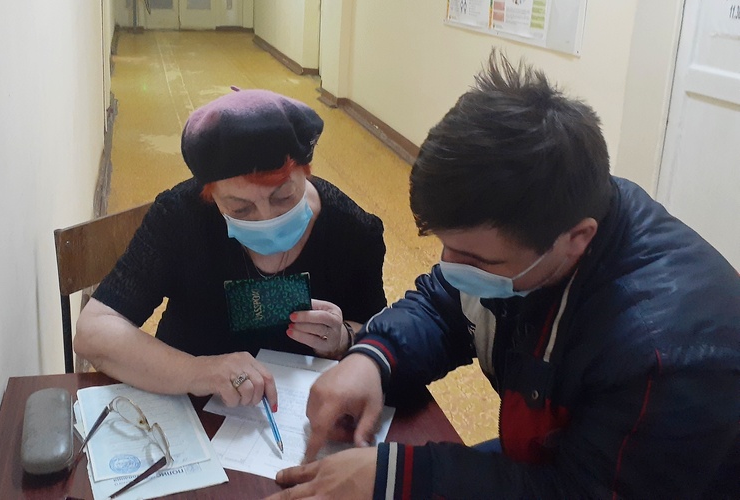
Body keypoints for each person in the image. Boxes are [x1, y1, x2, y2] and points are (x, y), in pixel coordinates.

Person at [271, 52, 740, 498]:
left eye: (476, 260)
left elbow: (584, 491)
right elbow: (443, 303)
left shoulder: (668, 357)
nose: (451, 266)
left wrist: (398, 479)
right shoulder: (546, 213)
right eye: (445, 246)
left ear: (577, 238)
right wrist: (373, 358)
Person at [74, 88, 387, 411]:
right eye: (240, 209)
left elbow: (379, 335)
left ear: (304, 172)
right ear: (210, 195)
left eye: (283, 197)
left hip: (302, 413)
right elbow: (93, 330)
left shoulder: (352, 230)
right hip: (190, 407)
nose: (267, 217)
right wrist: (198, 372)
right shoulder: (181, 217)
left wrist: (343, 339)